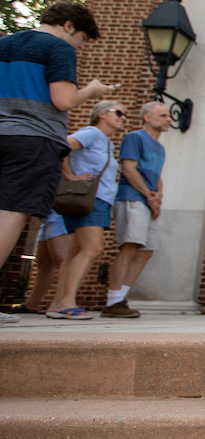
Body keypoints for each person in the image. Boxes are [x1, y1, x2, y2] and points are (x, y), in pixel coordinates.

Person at [0, 0, 112, 273]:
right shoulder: (58, 47)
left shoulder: (5, 42)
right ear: (68, 25)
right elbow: (64, 100)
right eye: (82, 39)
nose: (81, 46)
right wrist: (92, 90)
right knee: (12, 212)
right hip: (33, 139)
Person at [48, 101, 125, 320]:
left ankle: (57, 303)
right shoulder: (91, 132)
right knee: (93, 249)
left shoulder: (106, 141)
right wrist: (70, 176)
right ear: (101, 114)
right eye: (118, 113)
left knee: (75, 252)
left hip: (97, 200)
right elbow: (62, 146)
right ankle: (67, 303)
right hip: (90, 198)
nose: (123, 118)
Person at [105, 101, 171, 317]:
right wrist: (148, 195)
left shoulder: (160, 147)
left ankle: (120, 299)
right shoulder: (135, 138)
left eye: (168, 115)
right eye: (162, 115)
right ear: (147, 118)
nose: (168, 119)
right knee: (130, 246)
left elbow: (156, 176)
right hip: (132, 198)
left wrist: (158, 197)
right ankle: (112, 302)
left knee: (147, 250)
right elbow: (129, 170)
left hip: (148, 202)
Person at [12, 211, 71, 315]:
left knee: (63, 260)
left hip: (60, 214)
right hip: (47, 218)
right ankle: (32, 303)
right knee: (44, 262)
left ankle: (60, 303)